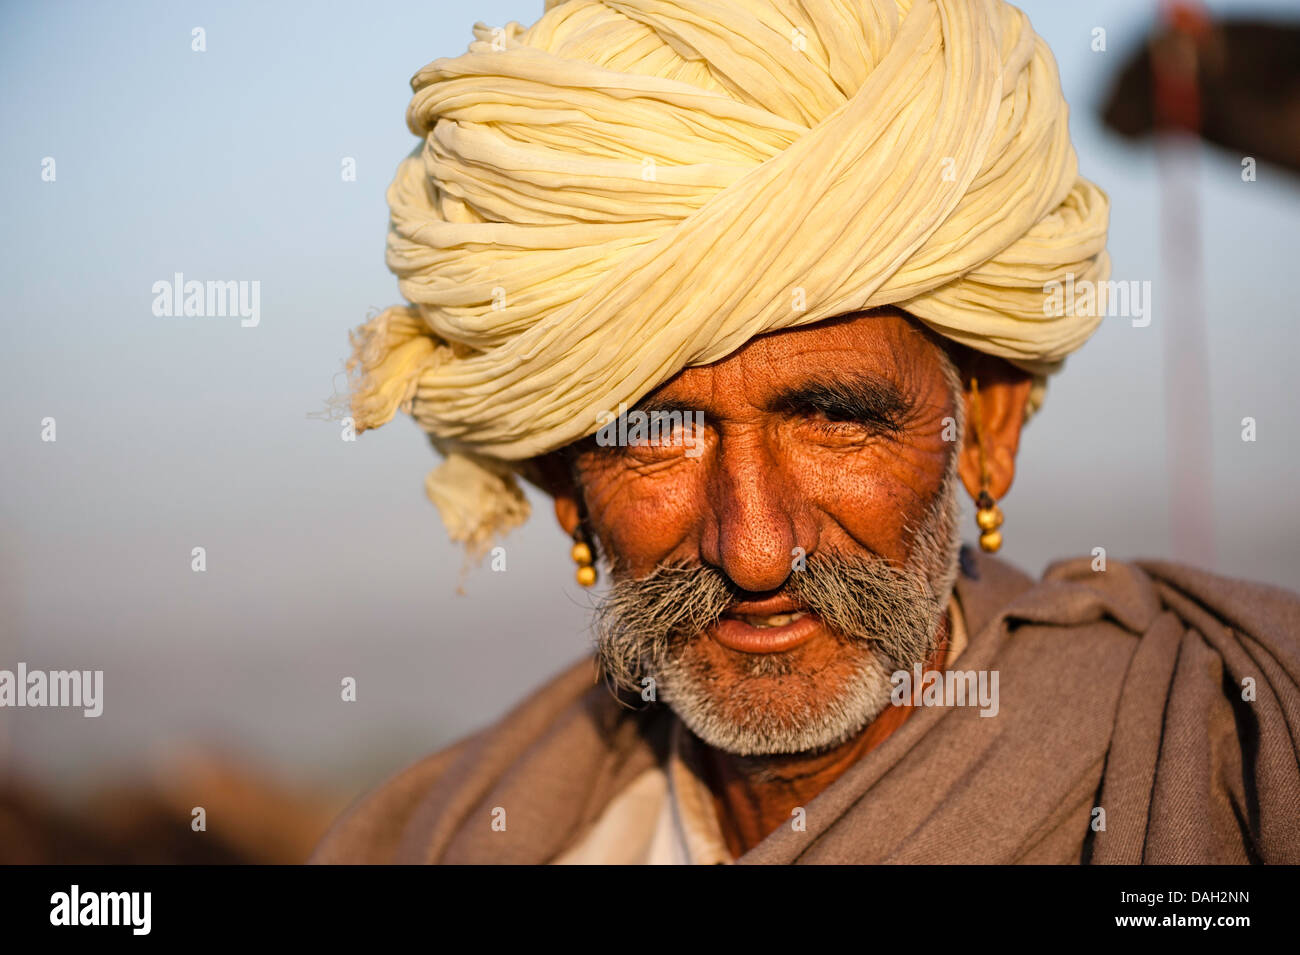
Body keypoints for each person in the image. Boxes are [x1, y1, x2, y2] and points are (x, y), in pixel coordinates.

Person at [313, 0, 1300, 864]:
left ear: (987, 425)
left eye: (834, 422)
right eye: (657, 437)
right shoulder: (453, 838)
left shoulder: (1237, 763)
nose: (751, 548)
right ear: (565, 482)